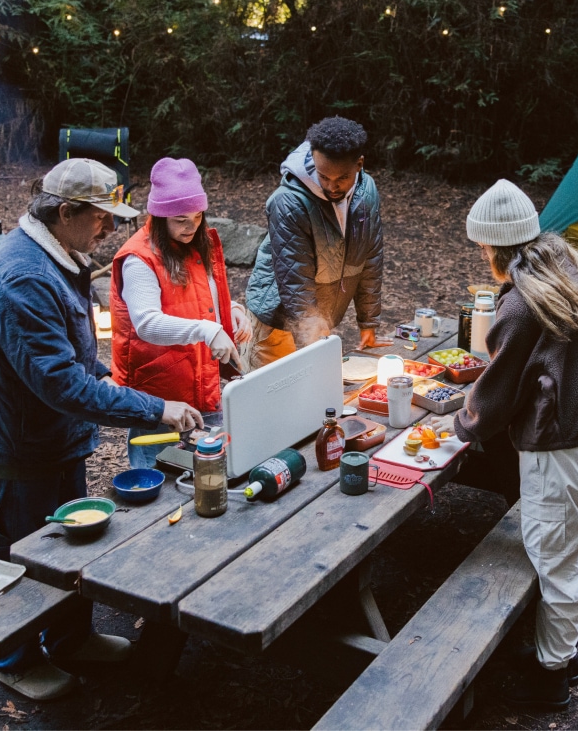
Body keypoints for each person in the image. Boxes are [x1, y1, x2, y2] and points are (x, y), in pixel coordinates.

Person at [0, 158, 204, 702]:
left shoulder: (62, 253)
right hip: (19, 439)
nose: (111, 229)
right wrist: (154, 409)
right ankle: (13, 658)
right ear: (67, 211)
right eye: (102, 218)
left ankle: (69, 638)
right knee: (17, 549)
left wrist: (116, 385)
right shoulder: (24, 275)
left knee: (68, 543)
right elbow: (60, 385)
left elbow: (74, 362)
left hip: (52, 435)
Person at [434, 179, 578, 711]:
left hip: (560, 447)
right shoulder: (567, 267)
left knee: (555, 555)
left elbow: (497, 392)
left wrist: (459, 427)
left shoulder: (524, 303)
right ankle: (563, 649)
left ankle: (552, 677)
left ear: (493, 247)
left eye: (481, 249)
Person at [110, 158, 246, 468]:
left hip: (202, 381)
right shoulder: (138, 257)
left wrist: (231, 311)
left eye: (198, 216)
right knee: (158, 478)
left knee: (207, 471)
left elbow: (200, 296)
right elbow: (146, 323)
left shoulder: (197, 244)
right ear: (159, 216)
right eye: (180, 219)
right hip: (159, 394)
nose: (191, 226)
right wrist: (207, 330)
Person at [242, 116, 387, 366]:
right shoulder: (289, 202)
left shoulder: (367, 193)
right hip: (276, 321)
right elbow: (295, 277)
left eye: (341, 178)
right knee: (274, 397)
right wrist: (311, 331)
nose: (331, 186)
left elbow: (370, 259)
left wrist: (368, 322)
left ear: (359, 164)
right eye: (323, 176)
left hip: (318, 318)